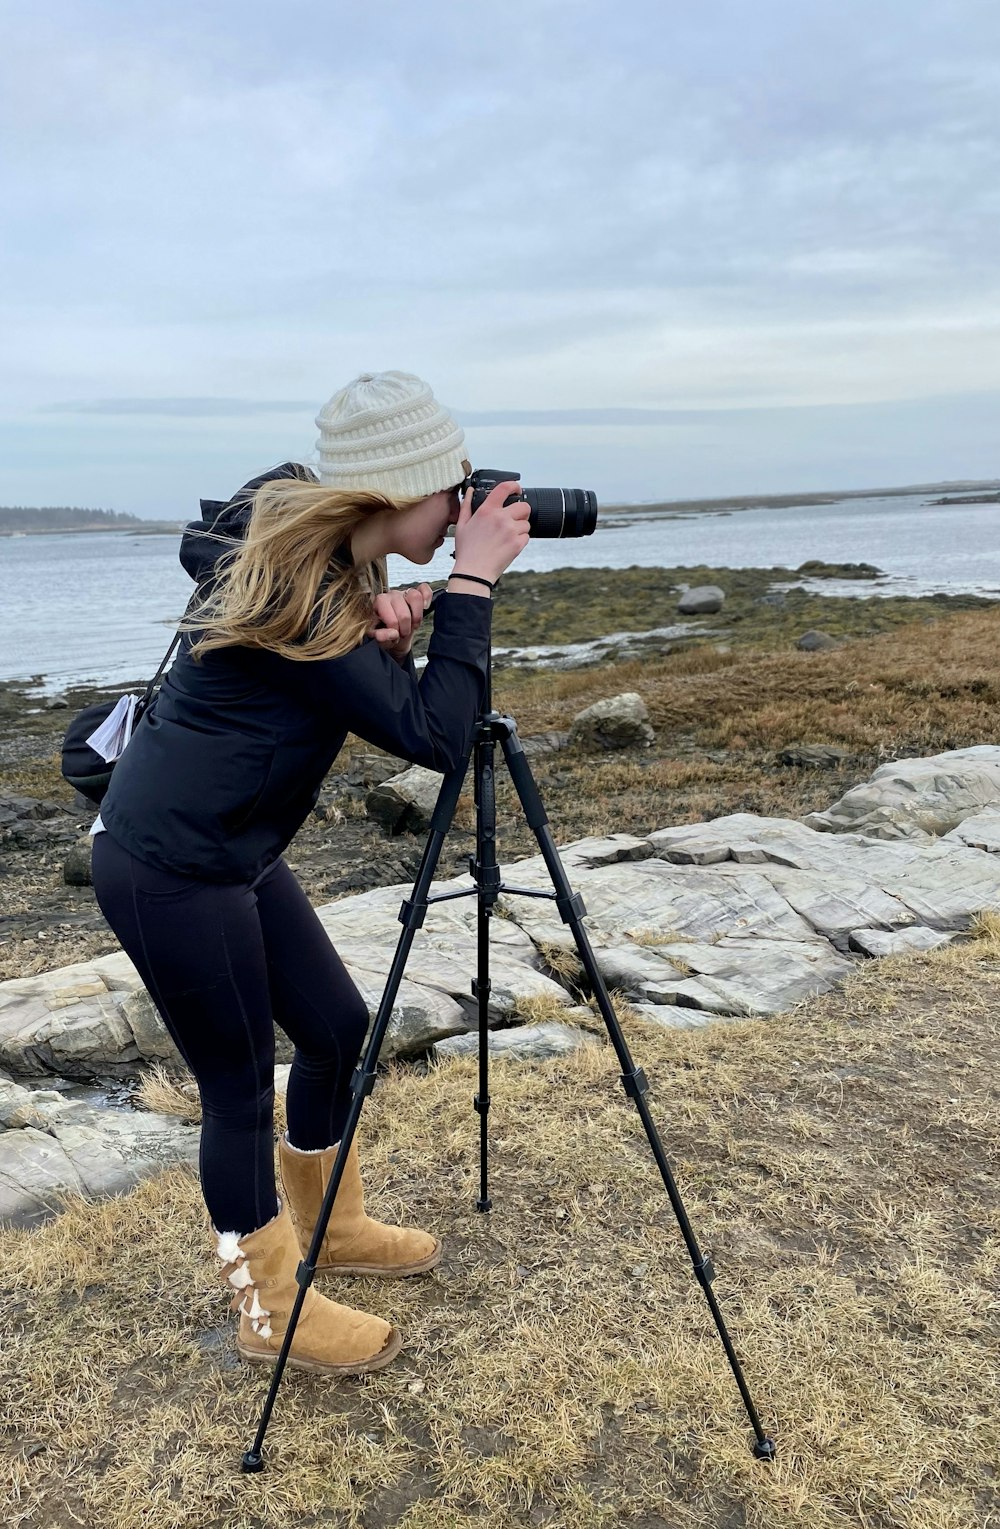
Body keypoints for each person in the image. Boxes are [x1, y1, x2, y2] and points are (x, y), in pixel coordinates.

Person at [89, 370, 531, 1376]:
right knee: (237, 1090)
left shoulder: (330, 571)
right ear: (394, 490)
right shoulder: (306, 585)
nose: (467, 503)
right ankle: (269, 1303)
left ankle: (330, 1224)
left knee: (337, 1029)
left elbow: (385, 699)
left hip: (237, 851)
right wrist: (472, 580)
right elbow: (438, 736)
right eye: (453, 485)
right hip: (169, 867)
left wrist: (401, 637)